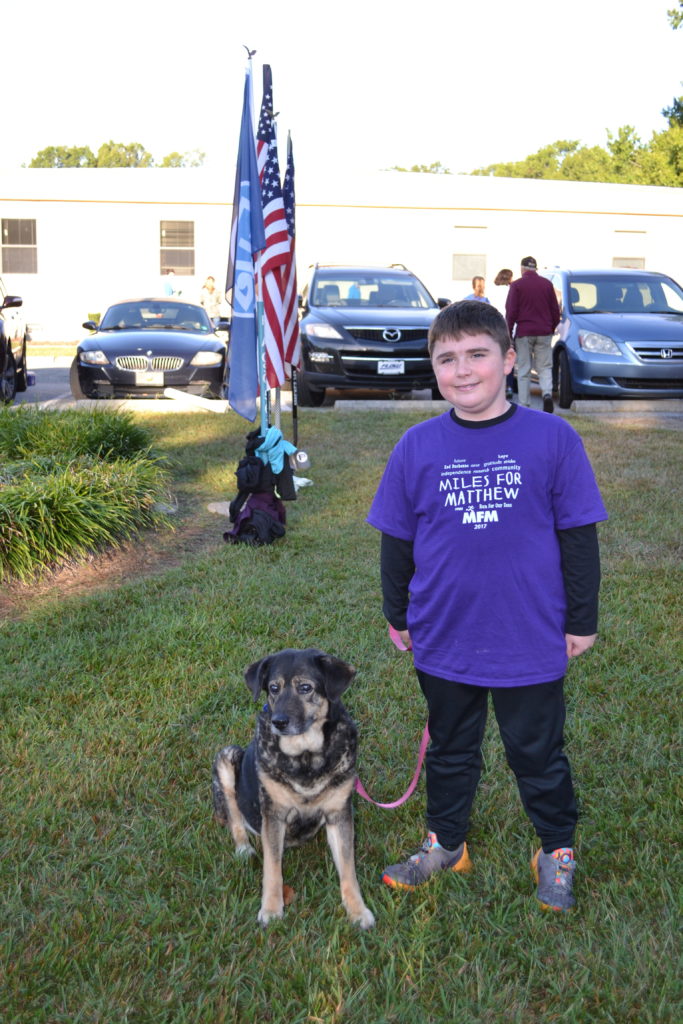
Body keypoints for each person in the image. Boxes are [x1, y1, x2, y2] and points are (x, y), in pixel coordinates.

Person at [367, 299, 607, 913]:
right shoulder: (416, 446)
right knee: (450, 746)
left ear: (507, 359)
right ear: (434, 368)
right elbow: (398, 541)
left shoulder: (553, 438)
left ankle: (555, 848)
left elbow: (578, 537)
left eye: (477, 354)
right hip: (444, 630)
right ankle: (447, 844)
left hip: (529, 631)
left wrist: (581, 619)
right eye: (447, 359)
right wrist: (398, 613)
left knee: (537, 751)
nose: (463, 370)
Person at [505, 256, 560, 413]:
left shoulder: (517, 285)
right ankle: (547, 394)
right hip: (544, 332)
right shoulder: (547, 284)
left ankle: (524, 405)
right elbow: (555, 311)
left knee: (524, 369)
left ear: (522, 268)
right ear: (535, 268)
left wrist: (509, 333)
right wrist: (550, 328)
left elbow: (511, 312)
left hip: (524, 332)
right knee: (545, 367)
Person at [489, 269, 515, 399]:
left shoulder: (492, 291)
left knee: (495, 358)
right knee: (508, 358)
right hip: (507, 327)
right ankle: (508, 386)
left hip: (493, 327)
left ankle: (494, 387)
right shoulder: (511, 290)